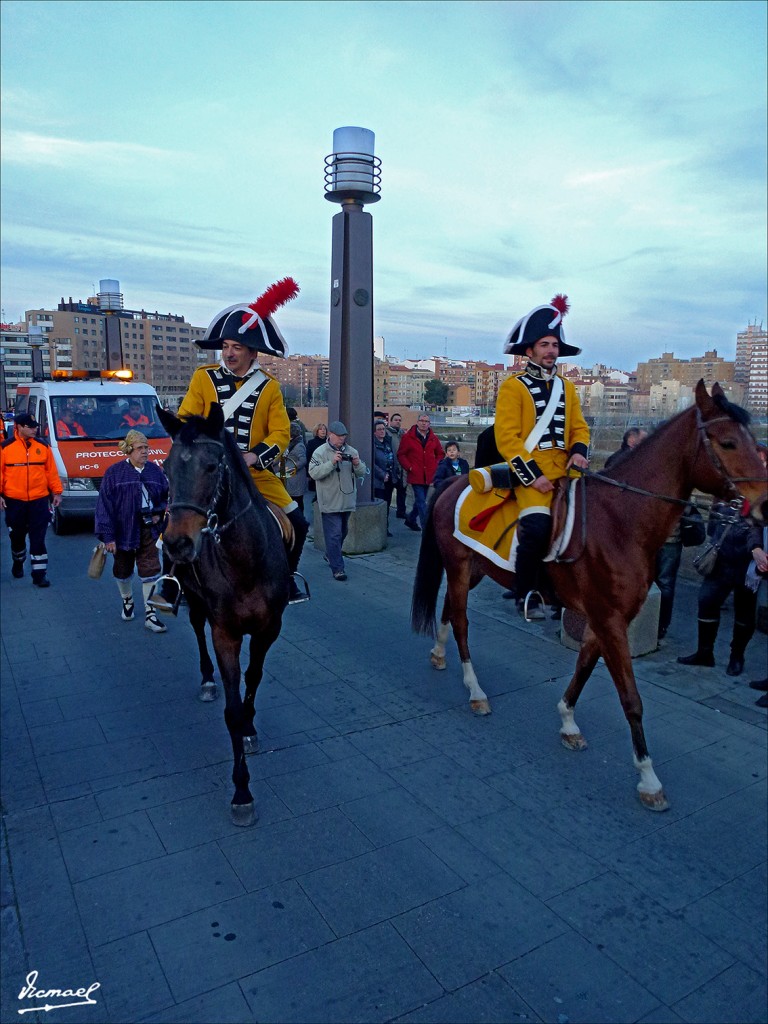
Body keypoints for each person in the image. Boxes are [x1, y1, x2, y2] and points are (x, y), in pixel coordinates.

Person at [176, 277, 309, 604]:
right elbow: (185, 419)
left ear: (252, 352)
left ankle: (287, 579)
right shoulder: (203, 379)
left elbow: (280, 433)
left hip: (256, 476)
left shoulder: (270, 387)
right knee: (175, 518)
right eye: (226, 346)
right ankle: (172, 582)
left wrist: (254, 457)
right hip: (207, 471)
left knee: (299, 523)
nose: (229, 353)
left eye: (237, 347)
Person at [496, 294, 590, 620]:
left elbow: (579, 428)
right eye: (544, 344)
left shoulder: (568, 388)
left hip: (567, 472)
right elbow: (507, 439)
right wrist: (533, 476)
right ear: (529, 351)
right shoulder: (513, 387)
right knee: (537, 528)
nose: (551, 350)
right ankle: (525, 593)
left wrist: (579, 452)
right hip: (531, 476)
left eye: (554, 345)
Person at [677, 502, 767, 675]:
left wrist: (755, 548)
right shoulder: (725, 492)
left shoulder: (759, 494)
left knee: (744, 613)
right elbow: (713, 522)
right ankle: (704, 653)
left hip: (746, 564)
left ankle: (737, 656)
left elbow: (757, 526)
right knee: (706, 601)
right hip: (721, 560)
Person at [95, 430, 170, 633]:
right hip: (123, 529)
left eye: (146, 448)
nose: (145, 452)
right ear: (129, 450)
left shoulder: (155, 471)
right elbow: (104, 506)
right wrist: (108, 536)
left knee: (151, 569)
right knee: (122, 569)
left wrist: (158, 513)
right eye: (140, 448)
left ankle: (150, 615)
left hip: (149, 529)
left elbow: (165, 497)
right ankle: (127, 600)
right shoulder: (114, 473)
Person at [0, 412, 62, 586]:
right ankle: (18, 561)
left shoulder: (43, 447)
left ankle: (39, 575)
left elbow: (51, 472)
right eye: (30, 426)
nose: (35, 429)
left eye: (35, 426)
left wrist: (57, 492)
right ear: (19, 427)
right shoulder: (5, 448)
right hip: (15, 501)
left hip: (39, 501)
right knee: (17, 537)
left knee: (38, 539)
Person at [308, 420, 367, 581]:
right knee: (333, 535)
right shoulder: (320, 452)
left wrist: (357, 463)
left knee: (343, 532)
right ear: (330, 435)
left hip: (347, 499)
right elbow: (313, 473)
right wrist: (332, 462)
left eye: (344, 436)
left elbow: (362, 473)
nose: (342, 439)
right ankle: (338, 568)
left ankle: (330, 554)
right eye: (339, 436)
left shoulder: (352, 450)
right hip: (329, 500)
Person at [397, 414, 444, 532]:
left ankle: (411, 519)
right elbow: (401, 455)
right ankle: (426, 528)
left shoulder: (433, 438)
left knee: (420, 502)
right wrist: (409, 467)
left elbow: (440, 453)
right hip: (415, 474)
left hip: (429, 475)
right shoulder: (408, 437)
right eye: (421, 421)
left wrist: (436, 465)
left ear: (429, 423)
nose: (424, 423)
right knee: (422, 502)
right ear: (417, 422)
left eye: (426, 421)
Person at [373, 419, 395, 535]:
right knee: (380, 504)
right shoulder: (373, 445)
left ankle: (385, 528)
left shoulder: (388, 442)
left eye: (383, 429)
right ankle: (378, 529)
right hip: (379, 480)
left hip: (390, 478)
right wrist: (382, 474)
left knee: (387, 505)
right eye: (379, 429)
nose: (382, 431)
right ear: (374, 432)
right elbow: (372, 463)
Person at [281, 420, 308, 514]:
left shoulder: (299, 446)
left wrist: (292, 467)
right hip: (289, 477)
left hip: (296, 478)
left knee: (297, 502)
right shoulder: (289, 444)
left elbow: (303, 460)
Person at [386, 412, 407, 519]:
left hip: (402, 467)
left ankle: (401, 512)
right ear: (391, 421)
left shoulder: (403, 434)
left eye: (399, 420)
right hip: (391, 467)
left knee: (402, 492)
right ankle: (385, 516)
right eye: (396, 420)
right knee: (388, 494)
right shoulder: (387, 433)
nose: (398, 422)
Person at [305, 423, 328, 509]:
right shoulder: (311, 443)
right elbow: (308, 458)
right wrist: (309, 473)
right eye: (321, 429)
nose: (323, 431)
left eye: (324, 429)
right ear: (316, 431)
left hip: (326, 469)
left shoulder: (328, 443)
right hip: (315, 470)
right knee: (317, 491)